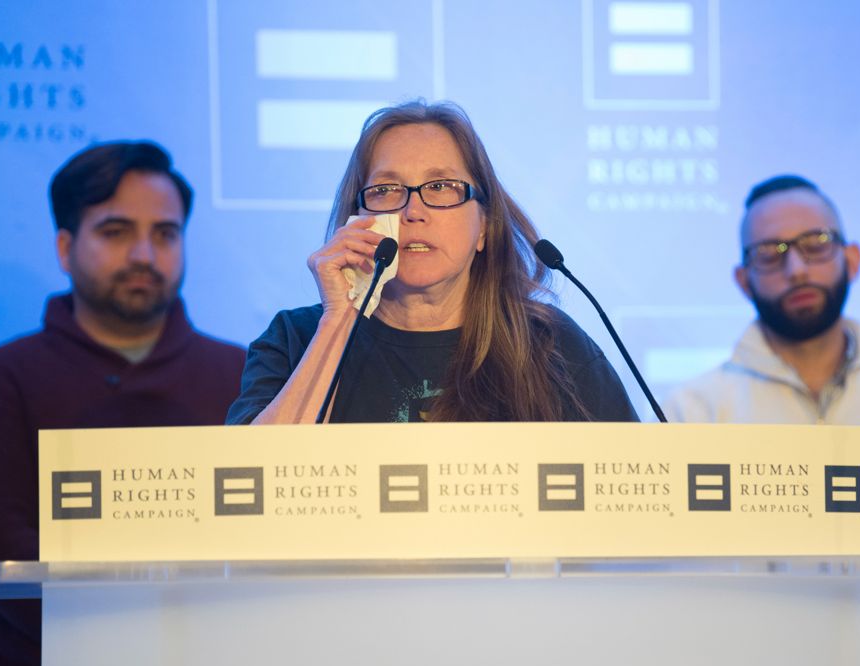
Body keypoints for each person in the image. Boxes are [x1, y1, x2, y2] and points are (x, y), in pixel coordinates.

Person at [664, 174, 860, 662]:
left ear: (851, 258)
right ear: (742, 278)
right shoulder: (691, 413)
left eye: (815, 244)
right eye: (770, 253)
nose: (795, 267)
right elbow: (677, 585)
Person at [0, 141, 246, 666]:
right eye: (116, 231)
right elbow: (2, 550)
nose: (145, 253)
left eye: (166, 234)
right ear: (65, 246)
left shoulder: (244, 374)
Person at [226, 101, 637, 424]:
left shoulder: (550, 345)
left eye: (441, 186)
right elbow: (252, 485)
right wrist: (339, 319)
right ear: (357, 218)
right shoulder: (295, 339)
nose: (412, 211)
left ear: (484, 228)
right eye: (386, 189)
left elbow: (627, 490)